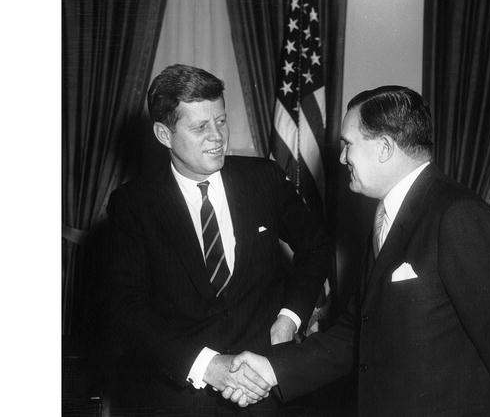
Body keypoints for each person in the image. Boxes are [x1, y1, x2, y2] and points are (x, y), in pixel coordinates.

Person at [227, 86, 490, 416]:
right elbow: (357, 332)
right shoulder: (385, 217)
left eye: (348, 144)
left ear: (385, 148)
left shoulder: (459, 217)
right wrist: (272, 369)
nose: (342, 158)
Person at [105, 64, 331, 415]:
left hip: (265, 390)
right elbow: (126, 309)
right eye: (200, 127)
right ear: (164, 135)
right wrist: (209, 366)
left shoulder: (264, 179)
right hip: (180, 398)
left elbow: (316, 246)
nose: (217, 137)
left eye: (222, 121)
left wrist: (289, 318)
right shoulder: (133, 205)